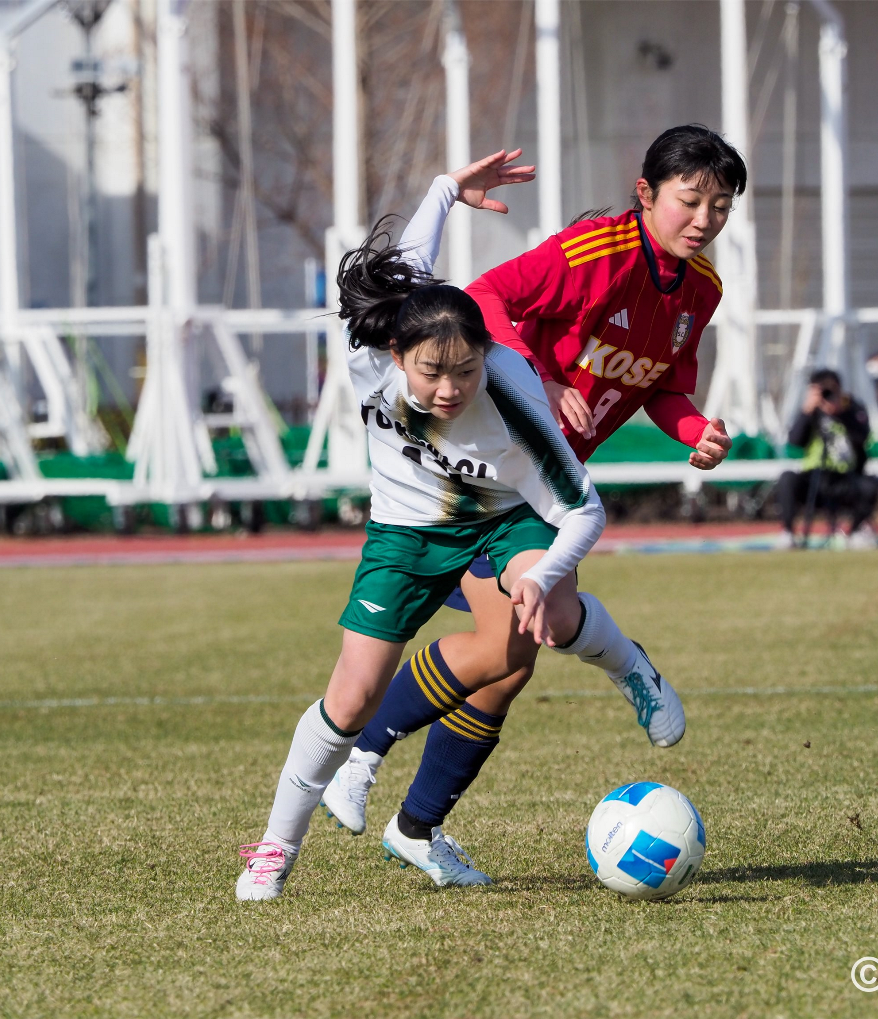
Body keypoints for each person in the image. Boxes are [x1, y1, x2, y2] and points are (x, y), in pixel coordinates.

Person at [320, 126, 746, 884]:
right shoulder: (592, 254)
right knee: (519, 637)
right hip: (480, 480)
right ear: (645, 194)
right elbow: (481, 298)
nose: (705, 218)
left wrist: (695, 431)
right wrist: (536, 379)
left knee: (510, 663)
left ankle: (416, 826)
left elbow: (664, 385)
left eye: (720, 205)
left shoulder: (701, 289)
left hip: (537, 488)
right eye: (691, 200)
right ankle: (366, 756)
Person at [236, 150, 619, 899]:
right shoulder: (368, 350)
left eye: (466, 370)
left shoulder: (511, 391)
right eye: (430, 372)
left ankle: (624, 666)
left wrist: (540, 575)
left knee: (518, 646)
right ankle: (275, 848)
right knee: (349, 698)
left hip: (498, 521)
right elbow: (411, 263)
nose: (450, 388)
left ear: (486, 356)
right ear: (394, 352)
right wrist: (445, 189)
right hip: (405, 534)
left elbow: (583, 508)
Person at [776, 368, 878, 549]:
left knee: (872, 484)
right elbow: (794, 441)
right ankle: (787, 533)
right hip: (813, 478)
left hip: (845, 477)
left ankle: (855, 532)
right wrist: (807, 412)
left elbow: (862, 439)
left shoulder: (852, 407)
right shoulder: (810, 412)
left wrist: (842, 413)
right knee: (787, 479)